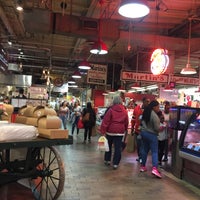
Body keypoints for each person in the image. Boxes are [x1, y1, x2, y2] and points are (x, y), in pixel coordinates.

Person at [100, 95, 129, 170]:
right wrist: (126, 129)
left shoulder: (111, 110)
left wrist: (103, 130)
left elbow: (106, 121)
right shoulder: (124, 111)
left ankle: (107, 160)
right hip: (120, 132)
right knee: (117, 148)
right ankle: (115, 163)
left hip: (110, 131)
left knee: (108, 146)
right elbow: (126, 121)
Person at [140, 100, 161, 178]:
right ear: (154, 107)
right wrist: (161, 128)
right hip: (152, 135)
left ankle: (142, 166)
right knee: (154, 151)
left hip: (144, 133)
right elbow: (156, 128)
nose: (158, 108)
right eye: (158, 107)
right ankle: (155, 168)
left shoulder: (146, 112)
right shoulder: (154, 115)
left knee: (145, 150)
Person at [131, 97, 150, 163]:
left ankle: (143, 157)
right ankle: (140, 156)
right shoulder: (136, 109)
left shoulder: (150, 110)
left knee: (144, 145)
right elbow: (133, 119)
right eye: (147, 101)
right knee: (139, 145)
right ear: (143, 101)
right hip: (137, 130)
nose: (148, 103)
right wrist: (132, 128)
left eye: (148, 102)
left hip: (146, 131)